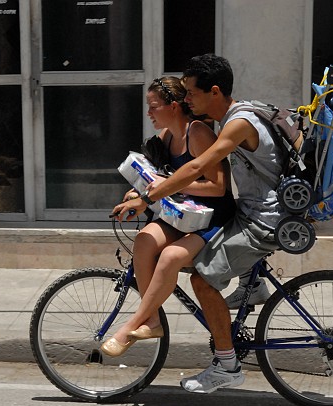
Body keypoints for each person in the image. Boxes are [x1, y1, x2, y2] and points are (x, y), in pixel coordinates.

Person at [112, 54, 288, 394]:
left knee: (202, 281)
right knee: (161, 248)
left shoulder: (236, 124)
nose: (186, 99)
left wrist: (148, 197)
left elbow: (197, 170)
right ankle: (249, 289)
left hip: (261, 221)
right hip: (250, 214)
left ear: (215, 91)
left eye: (191, 93)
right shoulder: (231, 119)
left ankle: (227, 365)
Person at [100, 76, 237, 357]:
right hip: (181, 215)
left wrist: (168, 184)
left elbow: (218, 186)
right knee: (145, 240)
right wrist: (137, 195)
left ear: (173, 106)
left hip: (213, 219)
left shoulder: (197, 134)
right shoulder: (167, 137)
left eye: (153, 106)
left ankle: (133, 323)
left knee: (171, 257)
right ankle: (151, 319)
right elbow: (152, 178)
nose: (149, 113)